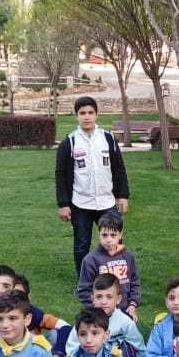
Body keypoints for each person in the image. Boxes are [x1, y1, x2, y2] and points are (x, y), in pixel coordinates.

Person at [55, 96, 130, 277]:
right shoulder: (69, 142)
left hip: (106, 202)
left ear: (96, 114)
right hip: (81, 203)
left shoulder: (108, 138)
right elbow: (60, 174)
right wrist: (63, 204)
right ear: (76, 115)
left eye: (90, 112)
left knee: (114, 242)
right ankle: (85, 281)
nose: (86, 116)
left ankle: (116, 280)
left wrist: (123, 195)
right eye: (82, 113)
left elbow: (119, 168)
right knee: (82, 244)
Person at [65, 273, 147, 357]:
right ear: (92, 298)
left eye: (109, 297)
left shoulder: (125, 321)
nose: (104, 302)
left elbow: (139, 347)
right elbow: (71, 349)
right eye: (99, 297)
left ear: (118, 299)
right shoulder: (84, 321)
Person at [75, 211, 141, 320]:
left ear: (120, 235)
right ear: (99, 234)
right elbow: (83, 290)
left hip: (125, 311)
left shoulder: (127, 256)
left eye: (113, 235)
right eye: (104, 235)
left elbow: (134, 282)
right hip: (100, 314)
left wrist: (132, 305)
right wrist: (96, 309)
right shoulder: (90, 260)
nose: (109, 240)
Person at [13, 273, 71, 355]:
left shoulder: (36, 315)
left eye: (19, 295)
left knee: (54, 334)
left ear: (28, 297)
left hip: (36, 354)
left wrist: (58, 352)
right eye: (8, 294)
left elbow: (65, 326)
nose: (13, 299)